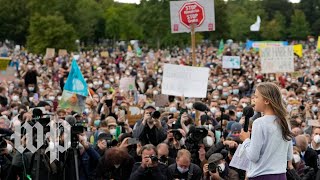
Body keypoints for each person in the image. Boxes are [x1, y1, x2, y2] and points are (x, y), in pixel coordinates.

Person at [239, 82, 293, 179]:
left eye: (256, 97)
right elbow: (289, 156)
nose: (253, 100)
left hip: (262, 176)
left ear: (266, 101)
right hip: (281, 175)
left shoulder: (259, 123)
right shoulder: (285, 122)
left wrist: (246, 140)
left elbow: (253, 157)